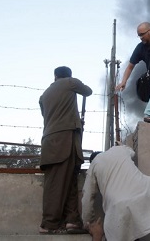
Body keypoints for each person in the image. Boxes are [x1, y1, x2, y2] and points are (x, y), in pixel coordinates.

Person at [39, 66, 92, 234]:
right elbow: (88, 91)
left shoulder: (44, 95)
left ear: (54, 77)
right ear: (68, 76)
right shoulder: (70, 83)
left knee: (69, 180)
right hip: (65, 141)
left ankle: (72, 221)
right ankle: (48, 224)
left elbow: (49, 116)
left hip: (50, 141)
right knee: (57, 183)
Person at [82, 145, 150, 241]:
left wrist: (88, 223)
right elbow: (132, 152)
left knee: (119, 233)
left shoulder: (94, 164)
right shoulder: (119, 149)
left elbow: (87, 198)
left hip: (119, 205)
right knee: (133, 232)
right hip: (144, 192)